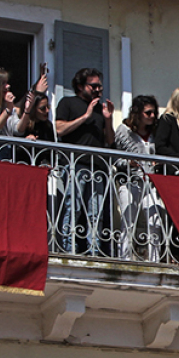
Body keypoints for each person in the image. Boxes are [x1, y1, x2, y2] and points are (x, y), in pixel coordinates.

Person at [55, 67, 115, 257]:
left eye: (100, 86)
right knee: (74, 208)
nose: (98, 90)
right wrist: (85, 117)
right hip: (75, 164)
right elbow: (59, 129)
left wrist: (108, 119)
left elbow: (110, 140)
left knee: (95, 212)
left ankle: (94, 250)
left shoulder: (100, 108)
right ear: (80, 86)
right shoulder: (68, 103)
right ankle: (69, 248)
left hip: (97, 167)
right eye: (94, 86)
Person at [115, 95, 162, 261]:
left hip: (150, 183)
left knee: (154, 221)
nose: (152, 116)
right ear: (138, 113)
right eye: (148, 113)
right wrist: (128, 162)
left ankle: (154, 260)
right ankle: (124, 258)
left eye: (154, 113)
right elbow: (115, 158)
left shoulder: (155, 133)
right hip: (130, 181)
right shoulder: (123, 131)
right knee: (128, 220)